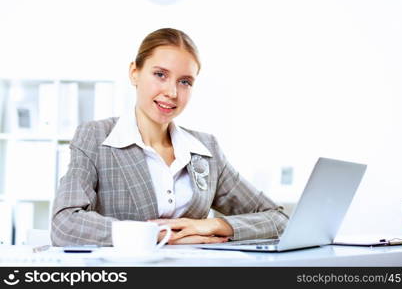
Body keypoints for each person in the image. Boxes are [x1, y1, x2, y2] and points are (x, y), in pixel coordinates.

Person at [51, 28, 289, 246]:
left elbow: (278, 218)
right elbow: (65, 224)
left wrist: (211, 226)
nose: (172, 93)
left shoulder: (206, 149)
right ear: (135, 73)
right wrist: (161, 236)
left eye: (185, 82)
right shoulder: (96, 137)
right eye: (160, 75)